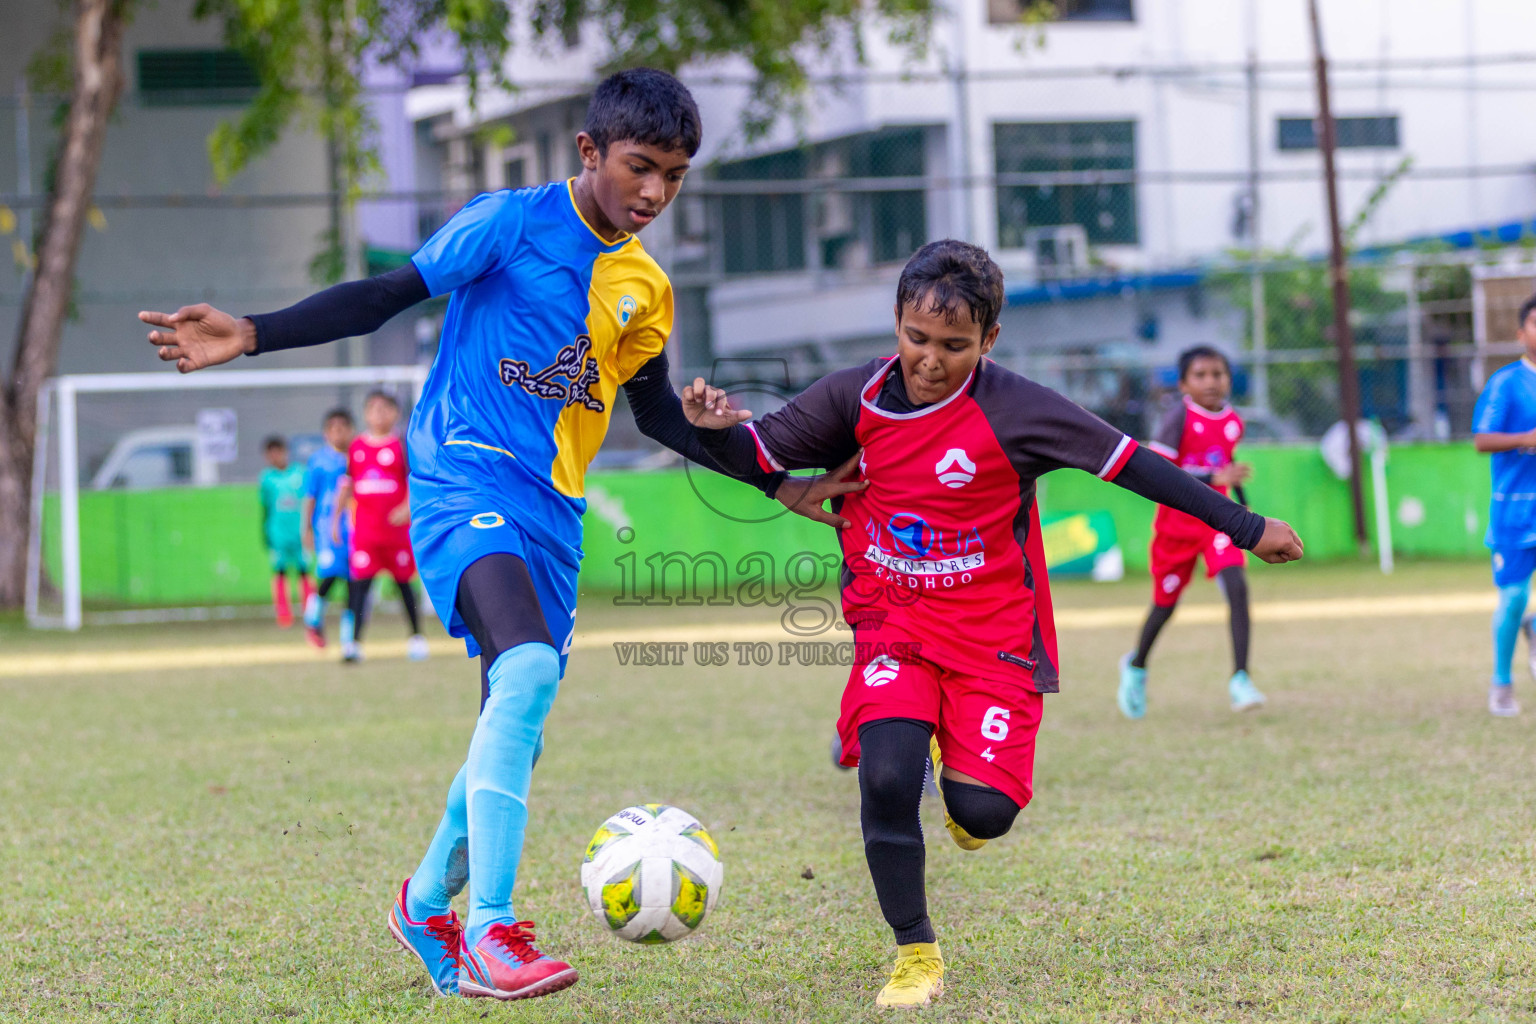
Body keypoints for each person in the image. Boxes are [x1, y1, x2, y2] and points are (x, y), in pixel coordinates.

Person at [138, 68, 858, 1001]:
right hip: (459, 478)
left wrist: (781, 483)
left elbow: (663, 421)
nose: (654, 194)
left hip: (552, 519)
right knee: (523, 673)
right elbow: (387, 293)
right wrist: (254, 332)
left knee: (510, 727)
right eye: (640, 167)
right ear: (589, 151)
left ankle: (424, 899)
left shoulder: (645, 286)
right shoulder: (507, 222)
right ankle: (492, 929)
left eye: (675, 177)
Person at [683, 239, 1304, 1010]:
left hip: (993, 636)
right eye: (916, 338)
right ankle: (915, 953)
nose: (930, 360)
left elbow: (1138, 466)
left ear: (990, 341)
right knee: (885, 775)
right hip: (893, 619)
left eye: (954, 345)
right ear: (897, 323)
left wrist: (1245, 527)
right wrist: (715, 431)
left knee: (983, 813)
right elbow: (753, 449)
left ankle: (961, 762)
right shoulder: (856, 397)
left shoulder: (1020, 410)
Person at [1117, 345, 1264, 719]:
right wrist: (1214, 478)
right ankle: (1136, 667)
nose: (1211, 382)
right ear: (1184, 383)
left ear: (1229, 379)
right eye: (1200, 375)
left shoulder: (1233, 421)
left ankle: (1241, 679)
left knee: (1237, 586)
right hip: (1176, 525)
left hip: (1218, 520)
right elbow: (1159, 473)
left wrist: (1242, 503)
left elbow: (1226, 464)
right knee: (1164, 606)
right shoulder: (1176, 419)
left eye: (1218, 374)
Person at [1472, 293, 1536, 717]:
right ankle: (1502, 684)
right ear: (1521, 333)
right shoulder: (1507, 383)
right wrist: (1525, 438)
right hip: (1515, 513)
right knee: (1513, 599)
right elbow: (1481, 439)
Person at [332, 391, 428, 663]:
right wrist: (335, 521)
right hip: (365, 532)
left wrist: (408, 505)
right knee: (360, 587)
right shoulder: (357, 447)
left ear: (395, 413)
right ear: (365, 414)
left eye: (385, 409)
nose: (379, 414)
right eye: (373, 409)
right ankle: (353, 644)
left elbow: (416, 479)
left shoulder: (401, 444)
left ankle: (416, 638)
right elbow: (347, 483)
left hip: (396, 532)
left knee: (404, 585)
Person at [302, 408, 356, 650]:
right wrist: (307, 529)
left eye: (342, 428)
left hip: (354, 528)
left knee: (354, 584)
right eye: (333, 429)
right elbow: (310, 497)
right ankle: (312, 620)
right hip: (327, 529)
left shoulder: (358, 456)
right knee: (329, 576)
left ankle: (348, 638)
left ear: (350, 430)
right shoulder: (318, 461)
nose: (338, 433)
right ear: (326, 433)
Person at [258, 436, 313, 628]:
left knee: (304, 572)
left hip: (299, 533)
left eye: (278, 451)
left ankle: (310, 612)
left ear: (285, 452)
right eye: (270, 453)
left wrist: (309, 529)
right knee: (280, 572)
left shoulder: (300, 474)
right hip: (278, 535)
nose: (275, 456)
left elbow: (308, 502)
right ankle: (284, 614)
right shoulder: (267, 479)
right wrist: (265, 533)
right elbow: (265, 508)